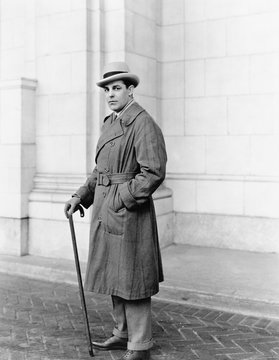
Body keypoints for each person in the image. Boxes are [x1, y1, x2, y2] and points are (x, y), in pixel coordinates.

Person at [64, 62, 167, 360]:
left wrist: (121, 197)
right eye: (107, 89)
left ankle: (140, 345)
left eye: (117, 88)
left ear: (131, 90)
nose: (110, 94)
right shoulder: (110, 123)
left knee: (132, 277)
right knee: (114, 273)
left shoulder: (142, 122)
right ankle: (122, 333)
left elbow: (153, 172)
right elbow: (101, 170)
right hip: (106, 208)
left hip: (128, 211)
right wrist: (81, 196)